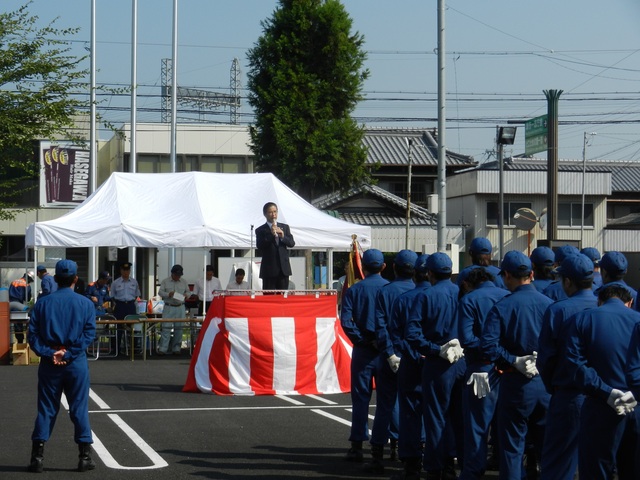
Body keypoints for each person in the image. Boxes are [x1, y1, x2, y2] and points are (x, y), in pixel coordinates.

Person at [480, 250, 553, 480]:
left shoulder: (503, 306)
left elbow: (488, 346)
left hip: (515, 384)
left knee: (512, 448)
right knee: (548, 447)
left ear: (508, 275)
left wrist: (514, 360)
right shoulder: (550, 305)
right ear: (531, 274)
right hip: (546, 384)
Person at [26, 259, 97, 473]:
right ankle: (84, 456)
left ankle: (37, 457)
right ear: (76, 279)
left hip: (50, 362)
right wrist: (69, 352)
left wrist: (51, 353)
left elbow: (33, 336)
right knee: (79, 408)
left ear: (55, 279)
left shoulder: (42, 303)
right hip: (76, 362)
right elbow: (89, 334)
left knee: (46, 408)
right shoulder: (85, 303)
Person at [563, 285, 640, 479]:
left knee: (595, 471)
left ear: (600, 301)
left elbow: (575, 365)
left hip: (599, 405)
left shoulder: (583, 319)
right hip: (637, 406)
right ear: (630, 303)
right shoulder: (637, 319)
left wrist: (606, 392)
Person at [536, 254, 598, 480]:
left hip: (569, 395)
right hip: (604, 397)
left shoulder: (558, 310)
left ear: (568, 282)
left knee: (557, 465)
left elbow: (546, 359)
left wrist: (554, 387)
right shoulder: (605, 305)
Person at [406, 252, 465, 480]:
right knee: (458, 419)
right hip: (462, 362)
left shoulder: (425, 296)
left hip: (437, 364)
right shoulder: (463, 293)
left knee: (435, 418)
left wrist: (434, 349)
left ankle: (434, 468)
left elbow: (412, 334)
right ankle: (453, 465)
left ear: (429, 273)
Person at [365, 249, 417, 473]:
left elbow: (381, 325)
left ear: (394, 267)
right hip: (415, 356)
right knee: (414, 407)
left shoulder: (386, 292)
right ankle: (411, 453)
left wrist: (389, 353)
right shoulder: (420, 291)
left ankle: (378, 454)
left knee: (386, 404)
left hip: (391, 354)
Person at [458, 267, 509, 479]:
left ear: (467, 283)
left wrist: (490, 347)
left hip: (481, 366)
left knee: (478, 426)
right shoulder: (507, 296)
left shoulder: (469, 300)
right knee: (508, 426)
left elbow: (467, 339)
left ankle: (473, 472)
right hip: (509, 368)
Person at [340, 249, 389, 463]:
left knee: (360, 398)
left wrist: (361, 339)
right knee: (389, 399)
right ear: (384, 267)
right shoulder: (391, 289)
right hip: (387, 351)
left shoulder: (355, 289)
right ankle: (392, 444)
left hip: (363, 350)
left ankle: (357, 445)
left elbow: (346, 321)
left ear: (363, 267)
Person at [388, 254, 430, 480]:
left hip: (410, 362)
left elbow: (395, 334)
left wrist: (414, 353)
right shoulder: (450, 295)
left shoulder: (403, 299)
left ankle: (411, 463)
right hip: (440, 364)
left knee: (410, 412)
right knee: (440, 413)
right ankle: (441, 462)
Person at [256, 202, 295, 290]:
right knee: (269, 298)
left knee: (283, 297)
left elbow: (292, 243)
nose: (273, 215)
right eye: (270, 212)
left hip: (283, 269)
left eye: (275, 211)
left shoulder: (284, 227)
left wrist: (283, 237)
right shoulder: (260, 230)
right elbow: (260, 245)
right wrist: (271, 234)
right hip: (269, 270)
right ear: (265, 214)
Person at [157, 264, 190, 355]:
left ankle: (176, 348)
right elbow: (160, 292)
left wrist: (186, 295)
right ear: (172, 273)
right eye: (176, 275)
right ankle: (163, 349)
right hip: (169, 306)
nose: (177, 277)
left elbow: (188, 291)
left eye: (179, 275)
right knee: (166, 328)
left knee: (179, 328)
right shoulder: (165, 281)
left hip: (180, 306)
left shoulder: (184, 282)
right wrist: (168, 294)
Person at [110, 262, 141, 353]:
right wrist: (120, 303)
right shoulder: (115, 282)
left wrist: (129, 302)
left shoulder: (134, 282)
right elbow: (112, 296)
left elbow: (136, 295)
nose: (126, 272)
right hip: (120, 306)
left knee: (132, 328)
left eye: (127, 270)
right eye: (124, 270)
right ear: (121, 271)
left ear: (130, 271)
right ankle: (116, 349)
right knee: (118, 328)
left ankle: (133, 349)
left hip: (130, 306)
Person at [10, 271, 34, 343]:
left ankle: (19, 341)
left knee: (15, 322)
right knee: (27, 319)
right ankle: (25, 340)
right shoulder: (26, 284)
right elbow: (27, 298)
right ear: (29, 279)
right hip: (19, 305)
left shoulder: (13, 282)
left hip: (11, 304)